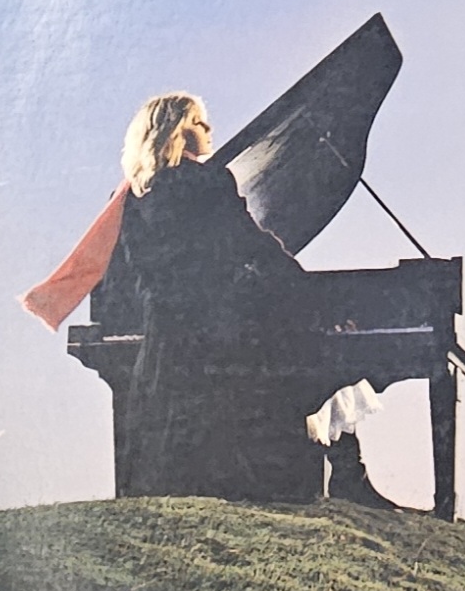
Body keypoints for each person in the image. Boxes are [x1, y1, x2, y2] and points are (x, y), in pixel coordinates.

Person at [108, 92, 327, 502]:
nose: (208, 128)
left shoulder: (132, 195)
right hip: (216, 323)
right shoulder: (208, 180)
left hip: (165, 327)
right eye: (197, 120)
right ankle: (324, 474)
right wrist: (303, 286)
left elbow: (133, 270)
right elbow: (249, 242)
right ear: (175, 129)